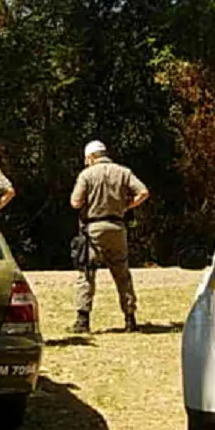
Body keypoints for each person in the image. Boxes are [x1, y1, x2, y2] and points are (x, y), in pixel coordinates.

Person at [69, 140, 150, 333]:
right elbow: (143, 192)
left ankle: (83, 320)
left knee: (87, 273)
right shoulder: (123, 172)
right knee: (122, 273)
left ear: (90, 157)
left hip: (93, 228)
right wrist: (126, 206)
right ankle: (130, 318)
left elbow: (75, 202)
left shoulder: (86, 175)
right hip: (117, 226)